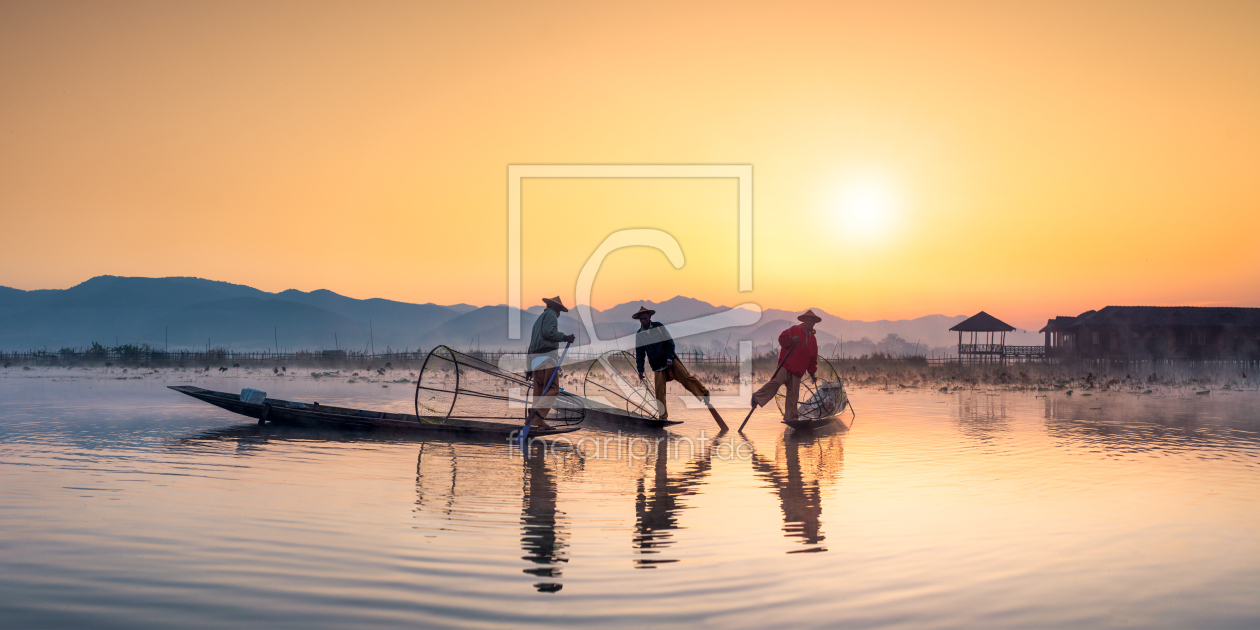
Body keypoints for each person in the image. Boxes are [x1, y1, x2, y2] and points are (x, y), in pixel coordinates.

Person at [633, 306, 710, 420]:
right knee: (659, 393)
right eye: (641, 319)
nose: (643, 321)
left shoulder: (659, 327)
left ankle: (703, 393)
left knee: (685, 378)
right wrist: (640, 370)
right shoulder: (639, 334)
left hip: (670, 361)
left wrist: (669, 359)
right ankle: (663, 417)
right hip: (657, 365)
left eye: (644, 318)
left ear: (649, 317)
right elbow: (640, 354)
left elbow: (670, 343)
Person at [751, 310, 821, 423]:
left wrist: (812, 372)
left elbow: (813, 358)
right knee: (777, 382)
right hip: (786, 365)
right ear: (804, 321)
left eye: (812, 321)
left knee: (793, 397)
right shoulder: (794, 330)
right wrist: (791, 340)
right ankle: (757, 397)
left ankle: (791, 419)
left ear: (814, 324)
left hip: (798, 371)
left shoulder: (813, 339)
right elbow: (782, 339)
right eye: (808, 320)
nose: (810, 323)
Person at [526, 296, 576, 430]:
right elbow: (549, 333)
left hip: (536, 361)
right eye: (559, 309)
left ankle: (537, 422)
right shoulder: (551, 315)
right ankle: (537, 412)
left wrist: (529, 368)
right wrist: (565, 337)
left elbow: (531, 346)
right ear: (554, 307)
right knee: (553, 389)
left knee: (540, 392)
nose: (559, 313)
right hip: (547, 358)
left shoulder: (538, 321)